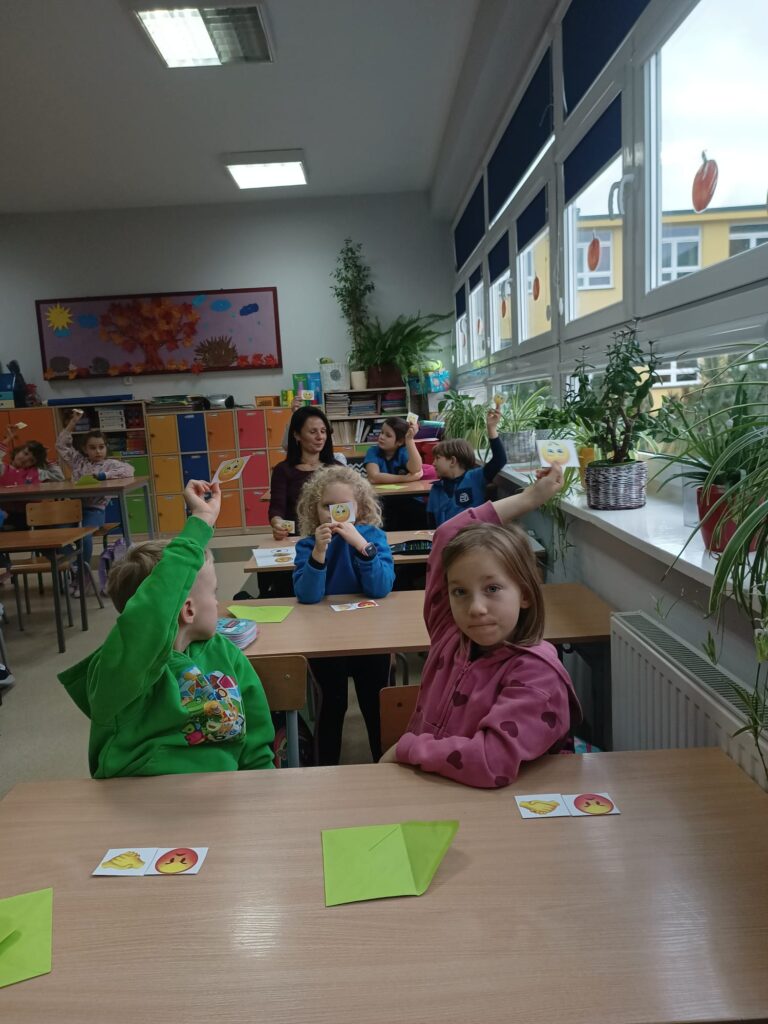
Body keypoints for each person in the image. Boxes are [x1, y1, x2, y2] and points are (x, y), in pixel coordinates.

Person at [380, 465, 582, 788]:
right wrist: (530, 497)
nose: (475, 608)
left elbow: (491, 760)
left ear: (525, 594)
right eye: (460, 592)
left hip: (496, 810)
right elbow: (447, 535)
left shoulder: (537, 674)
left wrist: (408, 748)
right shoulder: (449, 634)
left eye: (492, 589)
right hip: (438, 793)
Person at [58, 479, 275, 779]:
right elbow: (151, 613)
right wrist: (201, 522)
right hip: (138, 795)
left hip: (222, 791)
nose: (218, 602)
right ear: (187, 609)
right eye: (213, 593)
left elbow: (255, 741)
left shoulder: (226, 654)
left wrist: (263, 782)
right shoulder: (122, 666)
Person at [293, 465, 395, 765]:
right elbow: (308, 595)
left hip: (370, 636)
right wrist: (319, 553)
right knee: (332, 702)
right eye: (326, 506)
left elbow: (380, 588)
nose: (333, 514)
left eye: (342, 507)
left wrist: (361, 545)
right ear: (315, 509)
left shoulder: (373, 538)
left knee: (374, 701)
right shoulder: (308, 544)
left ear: (359, 508)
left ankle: (385, 765)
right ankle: (325, 769)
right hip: (326, 639)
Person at [56, 409, 134, 595]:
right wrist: (72, 423)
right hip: (72, 509)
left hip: (94, 510)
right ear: (85, 449)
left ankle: (83, 578)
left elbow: (129, 470)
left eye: (101, 447)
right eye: (92, 448)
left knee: (84, 536)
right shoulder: (78, 462)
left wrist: (103, 475)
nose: (98, 451)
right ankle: (78, 567)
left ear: (106, 448)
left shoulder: (110, 464)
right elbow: (61, 445)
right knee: (56, 536)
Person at [268, 406, 342, 543]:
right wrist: (277, 524)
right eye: (313, 432)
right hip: (297, 540)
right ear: (297, 435)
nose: (320, 437)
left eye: (323, 431)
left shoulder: (337, 468)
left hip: (333, 538)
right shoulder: (282, 470)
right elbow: (277, 509)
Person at [428, 406, 506, 526]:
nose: (433, 463)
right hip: (447, 537)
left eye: (437, 458)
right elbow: (431, 522)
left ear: (452, 461)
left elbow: (500, 460)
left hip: (473, 535)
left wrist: (491, 428)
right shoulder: (436, 489)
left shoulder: (476, 477)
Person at [363, 417, 423, 484]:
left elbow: (416, 469)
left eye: (388, 435)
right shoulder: (373, 451)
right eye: (382, 432)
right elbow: (373, 478)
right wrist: (406, 478)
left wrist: (409, 439)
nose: (381, 437)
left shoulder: (403, 452)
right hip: (379, 491)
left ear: (400, 441)